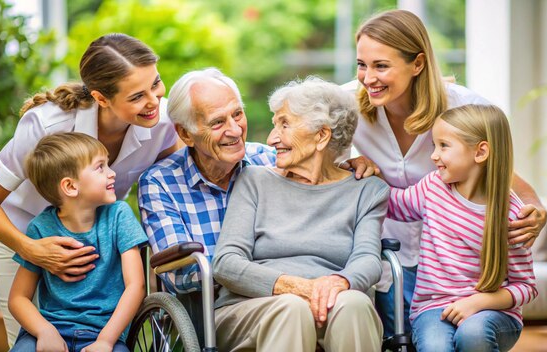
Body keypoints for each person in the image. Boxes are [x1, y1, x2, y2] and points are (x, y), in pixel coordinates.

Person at [0, 33, 178, 345]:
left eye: (156, 84)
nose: (154, 101)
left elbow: (176, 173)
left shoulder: (162, 120)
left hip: (98, 236)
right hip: (24, 232)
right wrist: (31, 249)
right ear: (101, 98)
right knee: (35, 341)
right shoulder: (46, 126)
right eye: (136, 96)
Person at [350, 9, 547, 337]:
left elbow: (505, 176)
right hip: (387, 258)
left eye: (381, 65)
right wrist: (351, 166)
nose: (368, 77)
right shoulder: (350, 106)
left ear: (418, 63)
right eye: (361, 64)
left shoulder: (463, 108)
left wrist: (535, 211)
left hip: (454, 267)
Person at [138, 68, 374, 295]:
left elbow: (319, 174)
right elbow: (180, 273)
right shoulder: (160, 183)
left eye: (238, 114)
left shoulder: (269, 160)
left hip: (282, 297)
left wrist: (347, 167)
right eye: (217, 122)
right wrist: (247, 271)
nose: (235, 130)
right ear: (186, 134)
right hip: (206, 312)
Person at [212, 77, 388, 352]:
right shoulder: (254, 180)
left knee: (354, 303)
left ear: (321, 135)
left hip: (331, 301)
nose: (272, 139)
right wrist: (294, 287)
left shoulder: (367, 190)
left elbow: (367, 258)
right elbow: (226, 262)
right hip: (252, 308)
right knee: (292, 309)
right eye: (274, 125)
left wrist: (339, 281)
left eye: (284, 124)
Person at [386, 104, 537, 351]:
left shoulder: (512, 216)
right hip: (433, 309)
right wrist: (360, 176)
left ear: (480, 152)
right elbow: (395, 204)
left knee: (473, 333)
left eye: (444, 146)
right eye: (434, 146)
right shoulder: (433, 188)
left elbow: (526, 287)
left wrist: (477, 303)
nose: (434, 155)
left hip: (493, 313)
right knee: (436, 346)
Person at [8, 132, 146, 352]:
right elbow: (18, 298)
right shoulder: (41, 228)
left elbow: (136, 286)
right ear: (71, 187)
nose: (112, 174)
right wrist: (45, 332)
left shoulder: (119, 216)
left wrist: (106, 341)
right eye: (100, 167)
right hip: (51, 330)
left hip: (103, 333)